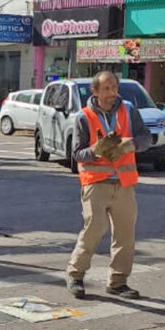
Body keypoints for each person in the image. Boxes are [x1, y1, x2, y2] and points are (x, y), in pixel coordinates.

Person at [65, 71, 152, 300]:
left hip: (124, 184)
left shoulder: (128, 111)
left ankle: (118, 281)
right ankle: (75, 275)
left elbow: (147, 138)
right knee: (93, 230)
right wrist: (96, 149)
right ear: (95, 91)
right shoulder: (84, 117)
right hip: (96, 183)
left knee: (125, 235)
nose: (112, 93)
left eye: (114, 87)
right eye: (106, 88)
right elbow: (77, 154)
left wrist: (132, 144)